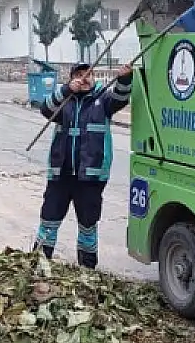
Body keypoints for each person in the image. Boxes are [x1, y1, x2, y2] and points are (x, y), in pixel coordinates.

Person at [33, 62, 134, 269]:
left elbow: (121, 98)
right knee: (49, 221)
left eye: (88, 74)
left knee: (88, 225)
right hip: (61, 175)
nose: (84, 78)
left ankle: (87, 271)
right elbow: (45, 109)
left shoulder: (103, 100)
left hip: (90, 178)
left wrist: (124, 79)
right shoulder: (64, 101)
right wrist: (66, 90)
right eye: (79, 75)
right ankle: (38, 265)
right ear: (71, 79)